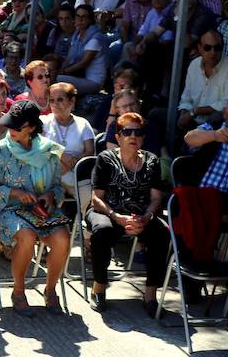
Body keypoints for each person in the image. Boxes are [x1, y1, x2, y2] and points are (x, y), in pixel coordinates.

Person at [0, 100, 70, 316]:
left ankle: (50, 290)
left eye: (17, 126)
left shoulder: (49, 151)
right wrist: (14, 193)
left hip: (40, 210)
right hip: (6, 210)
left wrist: (51, 195)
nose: (10, 130)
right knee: (27, 235)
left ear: (31, 127)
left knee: (63, 238)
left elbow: (57, 187)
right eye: (9, 125)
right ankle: (19, 291)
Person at [87, 112, 168, 314]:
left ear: (143, 137)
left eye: (138, 132)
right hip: (108, 211)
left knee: (162, 233)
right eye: (127, 132)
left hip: (140, 215)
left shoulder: (152, 161)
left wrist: (147, 217)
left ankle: (150, 293)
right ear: (118, 136)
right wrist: (117, 217)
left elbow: (157, 198)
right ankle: (99, 287)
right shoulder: (106, 158)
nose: (133, 136)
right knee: (101, 231)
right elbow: (96, 198)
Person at [41, 83, 95, 193]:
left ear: (72, 101)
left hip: (76, 172)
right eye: (52, 100)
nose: (55, 104)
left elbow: (90, 152)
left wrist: (71, 163)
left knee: (85, 191)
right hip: (49, 173)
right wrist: (61, 156)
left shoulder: (83, 124)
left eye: (60, 99)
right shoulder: (43, 122)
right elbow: (38, 146)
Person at [57, 4, 107, 95]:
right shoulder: (77, 35)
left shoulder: (95, 38)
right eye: (78, 16)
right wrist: (59, 70)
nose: (80, 19)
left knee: (56, 80)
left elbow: (84, 63)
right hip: (80, 76)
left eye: (84, 16)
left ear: (90, 19)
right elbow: (68, 59)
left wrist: (64, 72)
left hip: (93, 82)